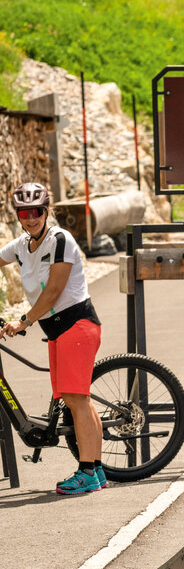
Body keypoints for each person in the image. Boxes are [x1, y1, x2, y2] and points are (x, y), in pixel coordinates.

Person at [0, 182, 104, 496]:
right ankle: (95, 470)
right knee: (78, 399)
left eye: (36, 211)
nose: (30, 218)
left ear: (47, 211)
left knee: (76, 400)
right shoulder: (20, 245)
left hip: (76, 326)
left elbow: (54, 291)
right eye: (24, 213)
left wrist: (23, 321)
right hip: (57, 332)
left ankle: (86, 472)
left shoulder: (60, 240)